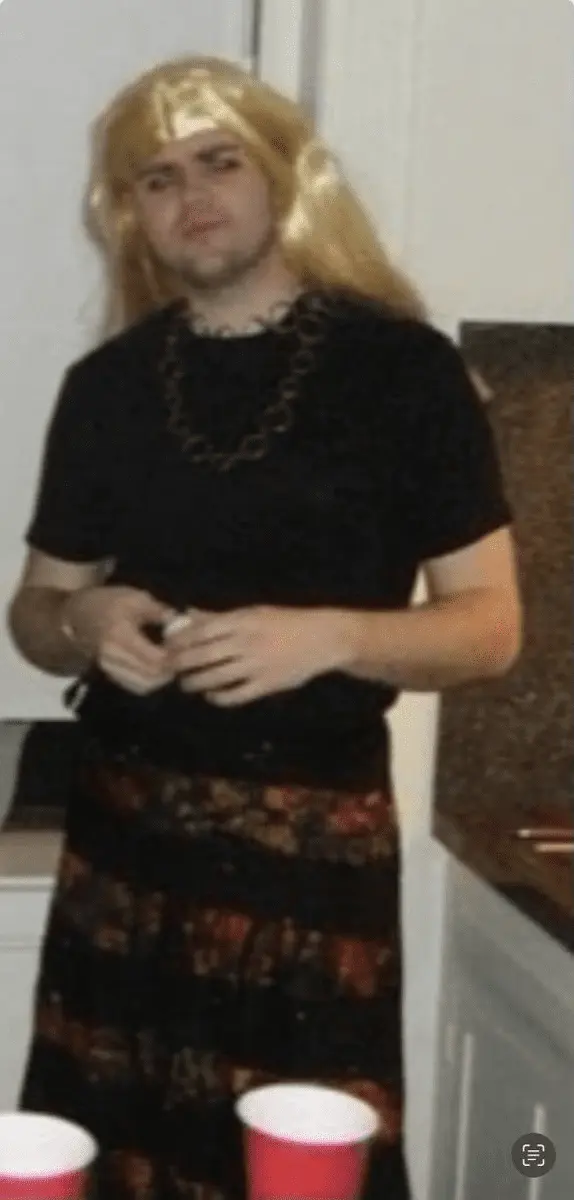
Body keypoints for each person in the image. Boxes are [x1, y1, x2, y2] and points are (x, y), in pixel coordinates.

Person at [7, 56, 522, 1200]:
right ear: (129, 213)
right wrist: (81, 617)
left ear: (282, 176)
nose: (190, 196)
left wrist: (332, 637)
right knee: (110, 1161)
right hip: (122, 851)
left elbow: (491, 630)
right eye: (155, 179)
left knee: (300, 1170)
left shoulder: (404, 372)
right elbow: (32, 617)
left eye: (218, 162)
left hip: (310, 858)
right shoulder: (106, 388)